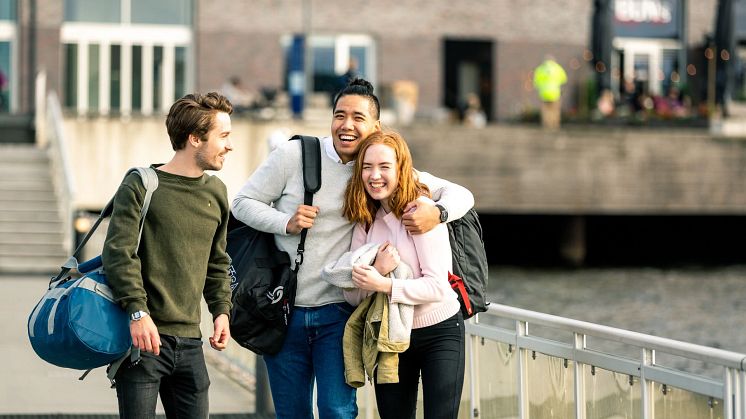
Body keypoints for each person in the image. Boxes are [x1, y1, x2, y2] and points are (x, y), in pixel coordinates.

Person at [231, 78, 474, 418]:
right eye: (339, 115)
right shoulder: (293, 155)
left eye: (358, 118)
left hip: (339, 314)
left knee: (337, 410)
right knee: (292, 412)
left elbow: (462, 195)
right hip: (284, 310)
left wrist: (438, 212)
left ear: (376, 126)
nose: (347, 125)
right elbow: (241, 203)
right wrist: (284, 221)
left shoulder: (379, 167)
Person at [102, 92, 235, 419]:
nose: (229, 145)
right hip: (142, 340)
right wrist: (136, 312)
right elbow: (119, 253)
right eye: (224, 136)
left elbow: (217, 262)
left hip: (191, 344)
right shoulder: (141, 185)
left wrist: (221, 311)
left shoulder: (216, 192)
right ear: (194, 139)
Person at [339, 130, 464, 418]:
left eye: (384, 167)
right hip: (391, 336)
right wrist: (377, 271)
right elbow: (352, 294)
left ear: (400, 168)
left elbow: (438, 288)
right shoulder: (365, 222)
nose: (375, 176)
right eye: (367, 167)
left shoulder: (419, 211)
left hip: (440, 332)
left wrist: (383, 283)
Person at [533, 55, 567, 130]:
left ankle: (546, 125)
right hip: (555, 93)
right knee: (555, 110)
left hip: (544, 93)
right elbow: (564, 79)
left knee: (545, 110)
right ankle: (554, 125)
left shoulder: (540, 69)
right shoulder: (557, 68)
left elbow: (536, 81)